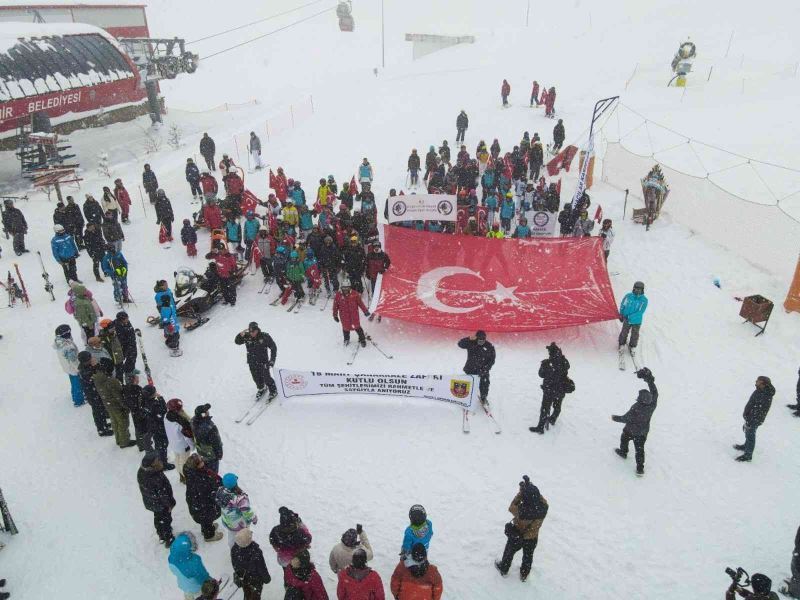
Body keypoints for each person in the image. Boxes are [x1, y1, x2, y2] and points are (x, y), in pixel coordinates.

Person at [494, 476, 548, 581]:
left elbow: (511, 506)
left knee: (509, 552)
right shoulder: (544, 507)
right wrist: (531, 488)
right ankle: (524, 575)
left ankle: (503, 568)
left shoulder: (521, 511)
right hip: (532, 538)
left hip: (518, 536)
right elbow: (538, 497)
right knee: (528, 557)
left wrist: (521, 492)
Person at [612, 367, 659, 475]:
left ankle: (623, 452)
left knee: (624, 439)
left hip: (630, 430)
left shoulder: (636, 407)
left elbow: (625, 418)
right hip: (642, 433)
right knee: (640, 450)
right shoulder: (652, 404)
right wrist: (649, 380)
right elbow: (655, 391)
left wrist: (615, 418)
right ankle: (640, 468)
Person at [530, 343, 572, 433]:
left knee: (545, 408)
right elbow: (567, 367)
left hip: (549, 389)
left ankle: (540, 427)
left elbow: (541, 375)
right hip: (560, 389)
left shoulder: (547, 363)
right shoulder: (564, 361)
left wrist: (543, 366)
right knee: (557, 406)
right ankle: (553, 419)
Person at [93, 358, 135, 448]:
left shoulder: (97, 377)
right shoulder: (111, 381)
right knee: (123, 423)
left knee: (114, 421)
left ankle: (118, 439)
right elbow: (119, 396)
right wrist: (126, 406)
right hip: (116, 405)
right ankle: (124, 442)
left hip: (108, 404)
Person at [138, 450, 176, 546]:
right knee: (166, 520)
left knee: (158, 517)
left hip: (152, 503)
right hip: (161, 504)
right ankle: (169, 539)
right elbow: (163, 494)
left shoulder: (142, 472)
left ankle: (161, 535)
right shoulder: (155, 477)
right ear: (152, 465)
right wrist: (169, 505)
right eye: (157, 461)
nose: (160, 461)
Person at [734, 376, 776, 462]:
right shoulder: (759, 390)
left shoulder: (765, 395)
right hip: (750, 417)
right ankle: (746, 446)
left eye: (758, 381)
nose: (756, 381)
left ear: (763, 383)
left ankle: (748, 455)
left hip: (754, 419)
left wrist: (751, 419)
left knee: (751, 434)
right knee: (747, 431)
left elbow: (759, 410)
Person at [182, 453, 223, 542]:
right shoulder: (199, 480)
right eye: (201, 461)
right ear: (197, 466)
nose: (203, 461)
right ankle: (209, 535)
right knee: (206, 517)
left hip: (196, 503)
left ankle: (207, 527)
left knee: (205, 518)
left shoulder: (191, 472)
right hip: (202, 504)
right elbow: (208, 492)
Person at [235, 322, 278, 401]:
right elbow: (237, 342)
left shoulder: (264, 336)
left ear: (257, 330)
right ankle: (261, 388)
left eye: (253, 332)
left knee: (266, 377)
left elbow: (273, 347)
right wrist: (240, 335)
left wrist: (272, 360)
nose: (252, 334)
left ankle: (273, 390)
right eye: (250, 332)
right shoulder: (246, 336)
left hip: (263, 362)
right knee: (256, 377)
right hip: (252, 362)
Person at [215, 472, 257, 548]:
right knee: (244, 537)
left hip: (228, 522)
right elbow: (246, 511)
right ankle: (244, 548)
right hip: (240, 524)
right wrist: (253, 518)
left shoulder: (220, 492)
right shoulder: (240, 498)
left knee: (231, 535)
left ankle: (232, 548)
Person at [78, 351, 112, 436]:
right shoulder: (83, 371)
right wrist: (96, 366)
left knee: (101, 409)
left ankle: (104, 424)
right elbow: (92, 377)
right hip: (92, 394)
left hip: (96, 392)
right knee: (97, 411)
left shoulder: (87, 366)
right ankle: (101, 429)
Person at [232, 528, 272, 600]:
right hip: (256, 580)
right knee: (255, 595)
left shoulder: (234, 549)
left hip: (244, 578)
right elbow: (261, 568)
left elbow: (234, 564)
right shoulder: (256, 552)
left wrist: (239, 573)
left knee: (247, 591)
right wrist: (266, 578)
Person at [168, 532, 210, 599]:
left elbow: (175, 571)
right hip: (196, 588)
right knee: (200, 596)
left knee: (189, 596)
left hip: (184, 586)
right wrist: (210, 581)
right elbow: (202, 577)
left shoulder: (171, 559)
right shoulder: (194, 561)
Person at [458, 331, 495, 404]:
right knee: (469, 385)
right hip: (470, 369)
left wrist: (485, 369)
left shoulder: (489, 346)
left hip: (483, 371)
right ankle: (466, 398)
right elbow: (460, 344)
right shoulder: (471, 343)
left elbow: (492, 360)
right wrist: (469, 338)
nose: (481, 342)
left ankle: (483, 398)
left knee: (484, 384)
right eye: (479, 340)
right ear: (476, 338)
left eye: (482, 340)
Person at [53, 324, 85, 407]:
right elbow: (73, 360)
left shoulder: (60, 343)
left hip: (68, 368)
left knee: (74, 382)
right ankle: (78, 400)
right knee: (77, 383)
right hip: (74, 368)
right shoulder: (68, 346)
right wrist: (79, 368)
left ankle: (75, 396)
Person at [165, 398, 195, 483]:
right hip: (183, 446)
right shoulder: (182, 422)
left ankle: (181, 475)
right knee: (184, 463)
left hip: (173, 443)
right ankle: (186, 478)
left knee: (177, 459)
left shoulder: (166, 416)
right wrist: (192, 446)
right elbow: (187, 437)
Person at [332, 282, 369, 347]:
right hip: (344, 316)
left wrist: (365, 311)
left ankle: (362, 339)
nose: (345, 290)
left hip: (354, 315)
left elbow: (361, 304)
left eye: (347, 288)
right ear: (341, 288)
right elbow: (335, 306)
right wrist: (335, 315)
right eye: (344, 288)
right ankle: (346, 339)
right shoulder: (338, 295)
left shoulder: (355, 294)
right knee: (345, 328)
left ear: (350, 287)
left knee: (357, 327)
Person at [618, 281, 648, 357]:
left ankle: (632, 346)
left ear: (642, 290)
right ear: (633, 288)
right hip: (626, 319)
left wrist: (630, 317)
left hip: (637, 320)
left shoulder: (644, 300)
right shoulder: (628, 296)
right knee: (624, 332)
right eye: (636, 289)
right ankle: (621, 344)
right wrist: (621, 314)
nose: (637, 291)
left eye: (639, 289)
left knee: (635, 334)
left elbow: (640, 312)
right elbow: (623, 305)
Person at [192, 404, 223, 473]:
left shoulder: (193, 421)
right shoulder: (210, 427)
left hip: (201, 451)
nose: (208, 412)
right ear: (203, 415)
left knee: (204, 468)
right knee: (212, 472)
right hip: (211, 454)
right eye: (206, 411)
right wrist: (219, 454)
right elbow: (216, 442)